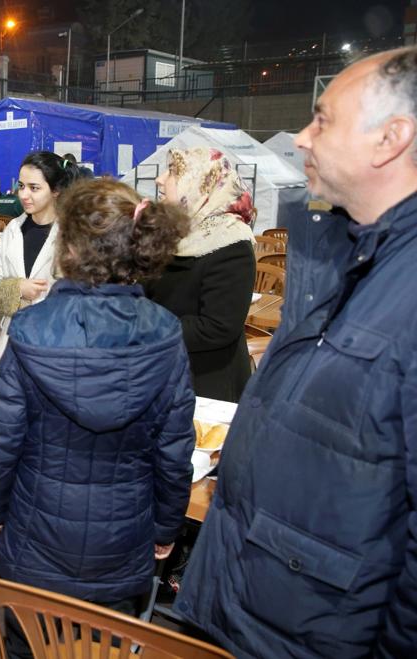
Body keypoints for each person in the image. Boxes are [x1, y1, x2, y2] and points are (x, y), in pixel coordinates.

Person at [176, 47, 417, 658]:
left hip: (321, 627)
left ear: (391, 139)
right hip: (254, 597)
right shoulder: (337, 254)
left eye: (323, 120)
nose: (303, 139)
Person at [0, 178, 194, 659]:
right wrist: (165, 529)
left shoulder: (32, 327)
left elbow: (2, 438)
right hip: (122, 540)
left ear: (68, 246)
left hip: (34, 535)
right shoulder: (165, 332)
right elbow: (175, 448)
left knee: (25, 647)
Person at [145, 146, 256, 402]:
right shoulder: (171, 233)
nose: (159, 179)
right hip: (160, 372)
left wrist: (145, 326)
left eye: (173, 172)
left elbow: (217, 327)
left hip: (204, 384)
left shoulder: (230, 243)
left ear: (200, 183)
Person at [0, 152, 76, 358]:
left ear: (56, 190)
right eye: (21, 186)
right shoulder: (13, 229)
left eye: (34, 188)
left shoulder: (71, 233)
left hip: (55, 344)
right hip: (11, 341)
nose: (24, 195)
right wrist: (17, 288)